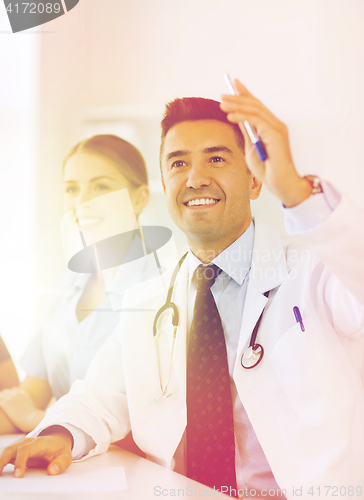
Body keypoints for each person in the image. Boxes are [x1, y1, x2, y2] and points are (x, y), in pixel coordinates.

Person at [0, 82, 363, 499]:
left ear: (255, 179)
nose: (195, 178)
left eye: (217, 158)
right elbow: (101, 394)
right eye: (177, 163)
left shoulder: (316, 272)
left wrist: (297, 191)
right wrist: (61, 432)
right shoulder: (150, 300)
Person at [0, 134, 152, 435]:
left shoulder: (158, 292)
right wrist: (26, 414)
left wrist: (36, 420)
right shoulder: (61, 290)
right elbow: (29, 396)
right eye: (72, 189)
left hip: (131, 473)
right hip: (66, 468)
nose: (82, 201)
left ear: (139, 198)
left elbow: (151, 427)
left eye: (101, 186)